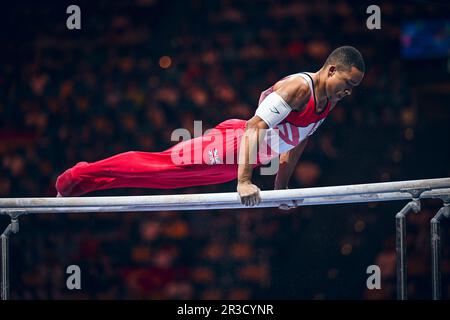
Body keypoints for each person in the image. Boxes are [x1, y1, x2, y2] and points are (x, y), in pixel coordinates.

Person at [55, 46, 365, 209]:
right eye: (347, 82)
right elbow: (254, 128)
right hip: (234, 144)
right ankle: (76, 175)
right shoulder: (299, 87)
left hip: (245, 160)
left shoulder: (330, 101)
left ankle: (85, 184)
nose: (348, 91)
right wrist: (244, 182)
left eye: (354, 88)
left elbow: (298, 143)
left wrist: (279, 189)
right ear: (332, 69)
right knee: (159, 168)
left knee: (163, 182)